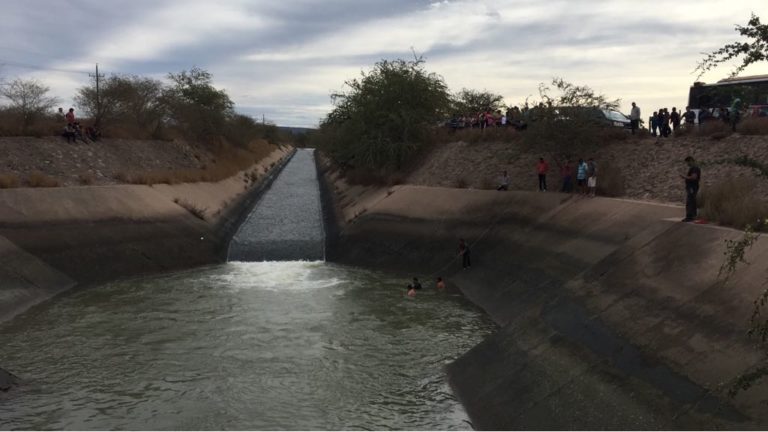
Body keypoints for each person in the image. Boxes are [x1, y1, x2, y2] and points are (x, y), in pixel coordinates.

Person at [679, 156, 701, 222]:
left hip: (692, 187)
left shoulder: (694, 168)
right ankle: (693, 216)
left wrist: (684, 177)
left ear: (691, 160)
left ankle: (689, 217)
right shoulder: (694, 168)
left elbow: (694, 177)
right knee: (692, 201)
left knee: (690, 201)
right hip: (692, 187)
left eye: (688, 162)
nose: (687, 164)